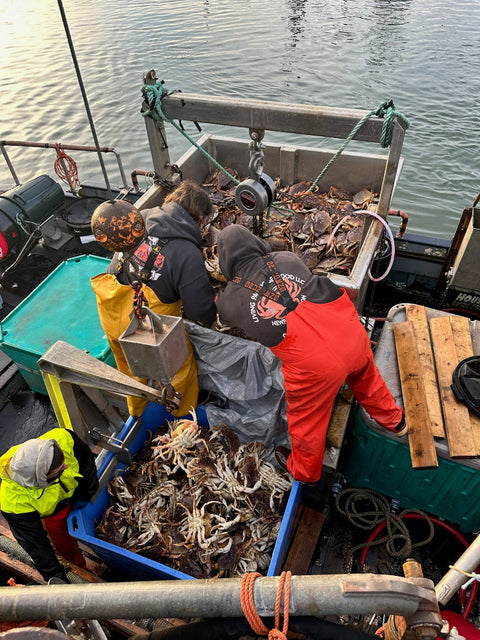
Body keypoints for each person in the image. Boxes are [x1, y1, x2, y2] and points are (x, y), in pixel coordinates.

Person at [215, 224, 406, 484]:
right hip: (349, 331)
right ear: (256, 244)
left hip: (314, 368)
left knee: (307, 424)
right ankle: (396, 421)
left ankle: (304, 473)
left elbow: (223, 315)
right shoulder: (286, 258)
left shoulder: (230, 299)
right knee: (367, 379)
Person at [90, 180, 217, 418]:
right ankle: (183, 415)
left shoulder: (141, 216)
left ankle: (137, 411)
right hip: (152, 322)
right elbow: (200, 311)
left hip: (111, 307)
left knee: (129, 370)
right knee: (177, 370)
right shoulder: (187, 254)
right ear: (200, 220)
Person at [0, 427, 99, 583]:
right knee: (65, 549)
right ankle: (82, 570)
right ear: (39, 481)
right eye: (59, 470)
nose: (66, 466)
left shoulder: (62, 438)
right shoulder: (14, 504)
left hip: (75, 493)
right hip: (50, 515)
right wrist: (57, 579)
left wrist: (87, 494)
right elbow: (37, 547)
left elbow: (86, 463)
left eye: (63, 462)